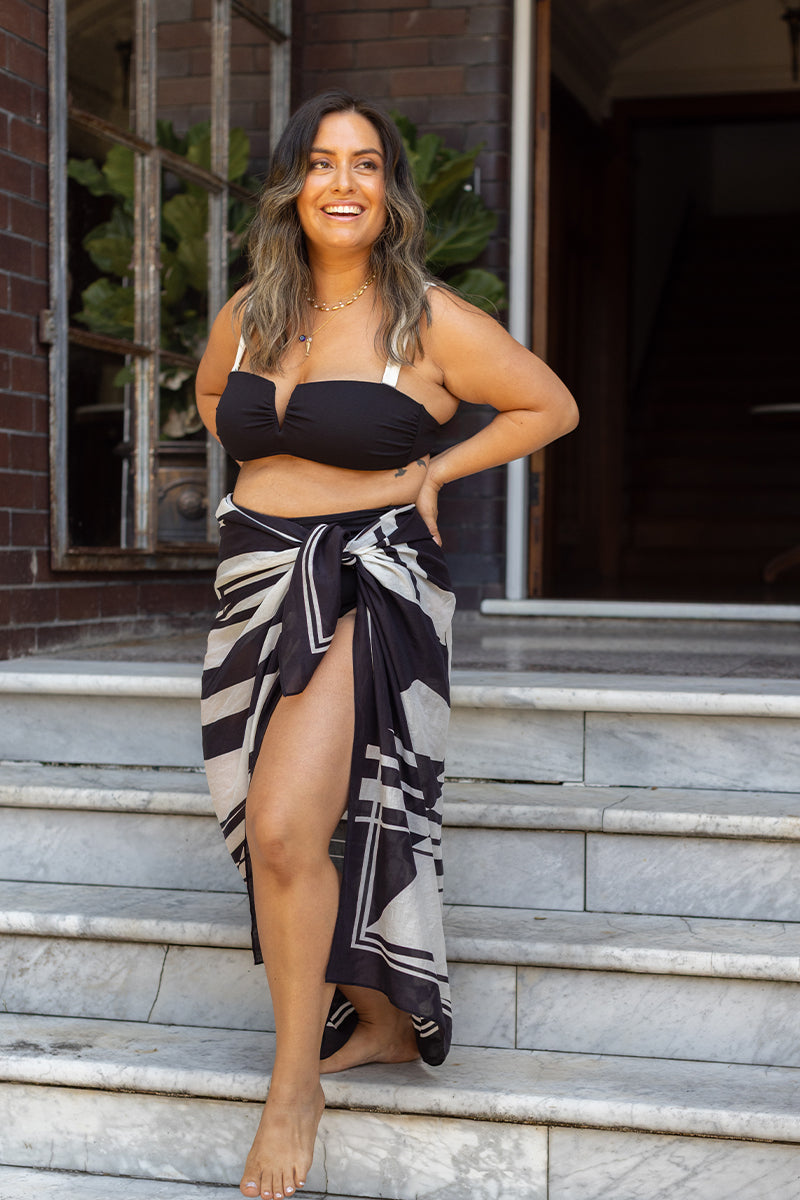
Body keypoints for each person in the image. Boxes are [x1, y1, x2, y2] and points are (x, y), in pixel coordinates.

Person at [195, 89, 578, 1200]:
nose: (344, 183)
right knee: (280, 826)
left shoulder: (426, 319)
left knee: (282, 826)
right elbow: (220, 396)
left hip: (366, 582)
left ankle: (290, 1090)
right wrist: (256, 499)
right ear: (292, 187)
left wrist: (426, 474)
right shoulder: (255, 311)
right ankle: (378, 1017)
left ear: (389, 191)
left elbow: (542, 404)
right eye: (321, 164)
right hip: (254, 584)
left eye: (365, 164)